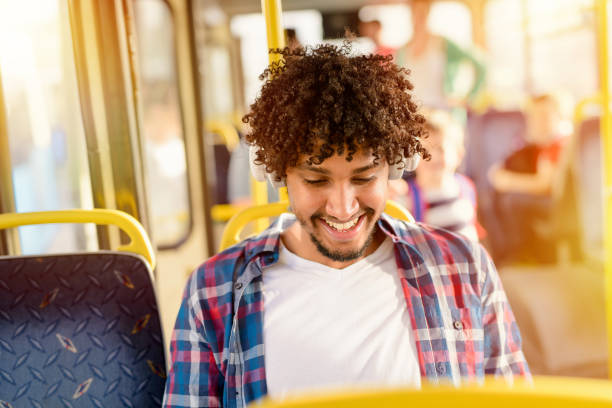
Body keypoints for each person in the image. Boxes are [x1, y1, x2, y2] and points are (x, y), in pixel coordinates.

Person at [162, 41, 529, 408]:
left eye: (364, 177)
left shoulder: (463, 267)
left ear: (395, 167)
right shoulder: (213, 291)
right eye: (316, 180)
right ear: (278, 174)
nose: (342, 207)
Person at [488, 94, 571, 262]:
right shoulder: (534, 144)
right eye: (534, 117)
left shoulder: (559, 144)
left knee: (511, 200)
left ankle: (515, 256)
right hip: (552, 200)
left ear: (560, 117)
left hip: (562, 205)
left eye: (545, 116)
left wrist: (507, 181)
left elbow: (545, 185)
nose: (538, 122)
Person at [400, 109, 481, 241]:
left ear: (459, 154)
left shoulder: (466, 187)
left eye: (440, 149)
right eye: (424, 150)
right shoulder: (405, 198)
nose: (431, 157)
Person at [395, 0, 486, 108]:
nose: (419, 17)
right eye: (416, 12)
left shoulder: (443, 43)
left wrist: (467, 99)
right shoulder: (402, 51)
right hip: (414, 115)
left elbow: (482, 66)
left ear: (429, 13)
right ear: (411, 14)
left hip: (442, 114)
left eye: (423, 12)